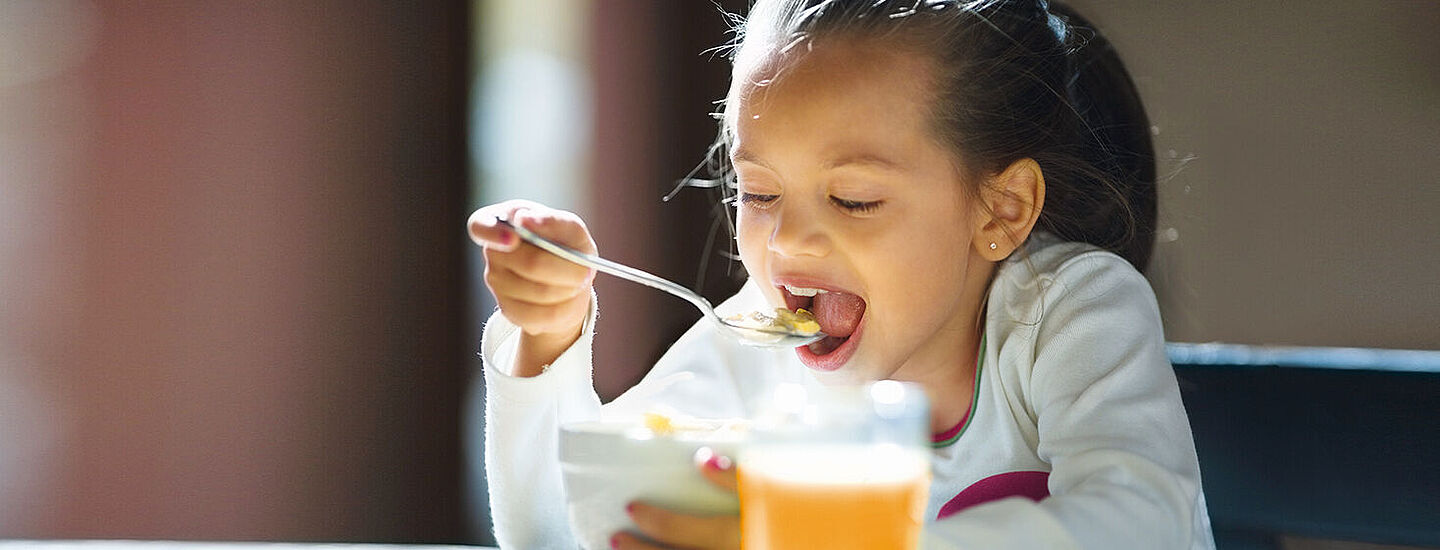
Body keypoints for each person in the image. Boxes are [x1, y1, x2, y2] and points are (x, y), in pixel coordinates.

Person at [468, 0, 1214, 548]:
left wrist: (812, 533)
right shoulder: (754, 340)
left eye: (853, 199)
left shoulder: (1068, 313)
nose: (787, 239)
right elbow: (558, 532)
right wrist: (547, 338)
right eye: (758, 192)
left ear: (1001, 211)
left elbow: (1143, 522)